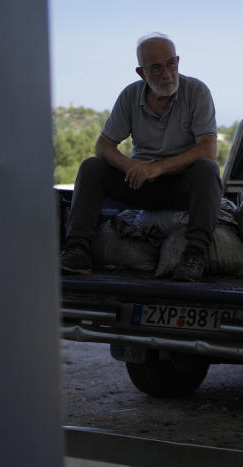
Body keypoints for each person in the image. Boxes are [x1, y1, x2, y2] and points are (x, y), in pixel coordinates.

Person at [60, 33, 221, 281]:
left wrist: (158, 168)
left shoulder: (197, 92)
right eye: (156, 68)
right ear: (141, 73)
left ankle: (194, 254)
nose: (167, 74)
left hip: (180, 185)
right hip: (139, 184)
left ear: (178, 61)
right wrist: (131, 166)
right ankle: (77, 250)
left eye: (171, 63)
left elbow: (207, 149)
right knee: (92, 167)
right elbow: (103, 145)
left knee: (208, 170)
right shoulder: (129, 96)